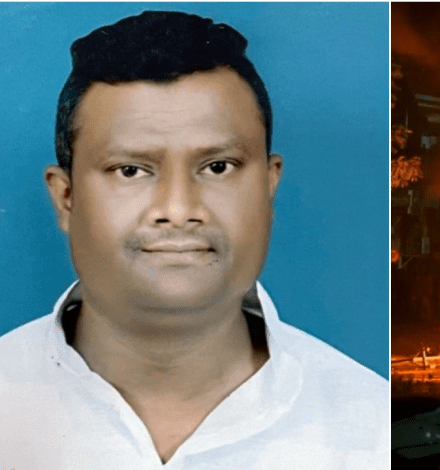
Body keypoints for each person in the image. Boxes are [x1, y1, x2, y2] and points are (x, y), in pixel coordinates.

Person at [0, 11, 388, 469]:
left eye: (218, 167)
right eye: (131, 170)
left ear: (269, 186)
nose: (179, 209)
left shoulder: (373, 429)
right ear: (66, 198)